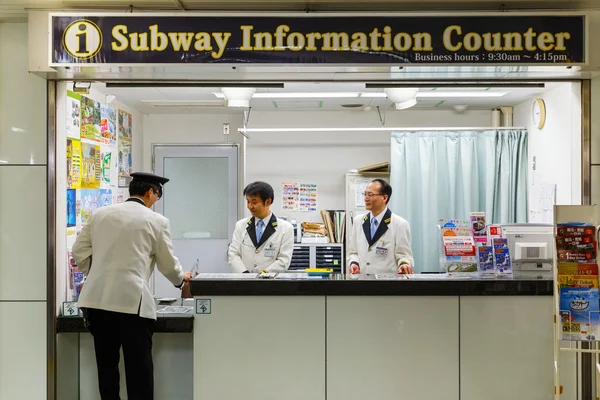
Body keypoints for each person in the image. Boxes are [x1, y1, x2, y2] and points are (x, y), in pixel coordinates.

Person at [72, 172, 192, 400]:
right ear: (150, 192)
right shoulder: (157, 221)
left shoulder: (100, 214)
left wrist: (98, 273)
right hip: (132, 304)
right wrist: (180, 279)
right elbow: (167, 264)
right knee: (139, 371)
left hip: (97, 302)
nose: (155, 201)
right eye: (157, 196)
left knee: (106, 368)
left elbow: (79, 252)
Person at [348, 179, 414, 275]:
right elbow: (353, 252)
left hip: (387, 284)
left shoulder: (400, 224)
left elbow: (404, 255)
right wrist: (354, 263)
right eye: (365, 194)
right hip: (362, 282)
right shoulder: (358, 221)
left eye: (370, 195)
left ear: (384, 198)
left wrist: (404, 264)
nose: (366, 198)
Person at [228, 181, 294, 273]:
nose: (250, 206)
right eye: (248, 201)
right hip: (244, 282)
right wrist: (244, 274)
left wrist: (263, 276)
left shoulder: (285, 228)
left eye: (254, 202)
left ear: (267, 201)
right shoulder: (241, 225)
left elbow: (284, 260)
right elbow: (233, 254)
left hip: (270, 282)